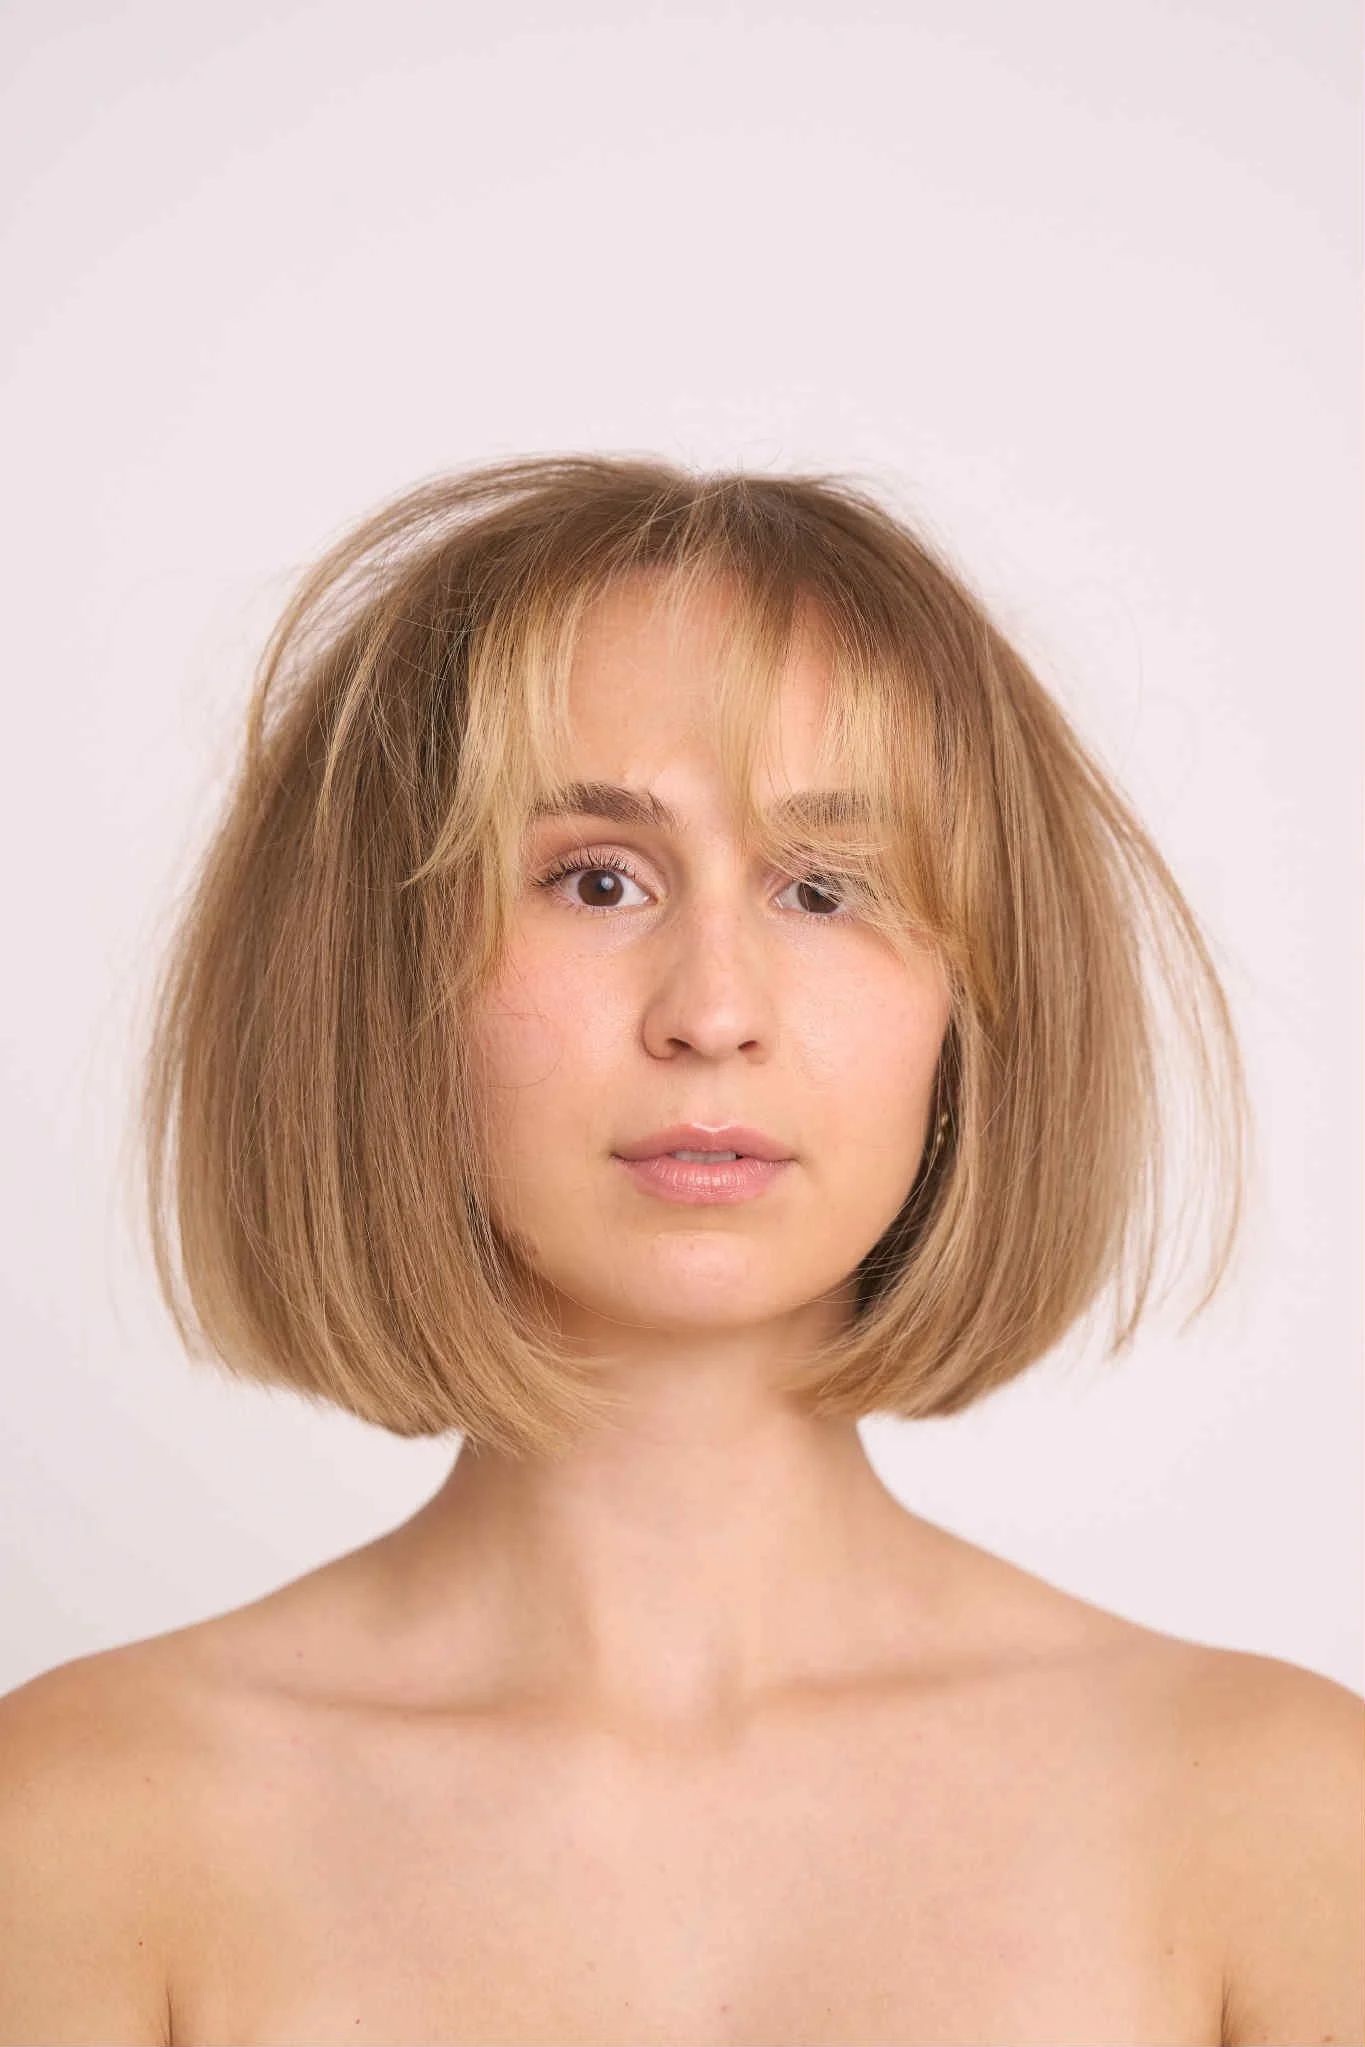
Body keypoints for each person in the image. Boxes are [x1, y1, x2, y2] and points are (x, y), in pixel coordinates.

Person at [0, 456, 1359, 2047]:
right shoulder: (84, 1828)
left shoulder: (1280, 1819)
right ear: (387, 982)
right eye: (596, 879)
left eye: (825, 886)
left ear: (972, 1006)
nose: (713, 1009)